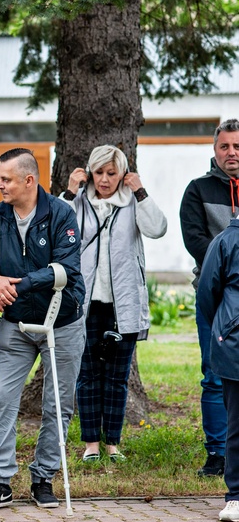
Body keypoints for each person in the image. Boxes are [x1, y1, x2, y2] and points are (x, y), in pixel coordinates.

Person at [0, 148, 85, 510]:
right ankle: (0, 481)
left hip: (61, 322)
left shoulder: (61, 213)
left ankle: (43, 478)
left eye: (6, 179)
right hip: (15, 325)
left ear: (29, 180)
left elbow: (65, 269)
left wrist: (14, 286)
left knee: (58, 405)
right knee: (1, 398)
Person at [62, 145, 167, 462]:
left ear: (123, 174)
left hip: (124, 304)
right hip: (87, 304)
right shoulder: (79, 202)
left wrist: (142, 192)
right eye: (99, 173)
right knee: (88, 376)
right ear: (90, 172)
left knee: (117, 379)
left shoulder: (132, 203)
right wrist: (69, 191)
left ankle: (113, 444)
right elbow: (54, 229)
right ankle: (91, 445)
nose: (105, 180)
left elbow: (157, 228)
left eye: (112, 173)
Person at [180, 119, 239, 477]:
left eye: (237, 146)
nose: (232, 153)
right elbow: (195, 240)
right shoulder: (197, 189)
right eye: (225, 147)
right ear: (214, 151)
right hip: (215, 297)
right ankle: (217, 454)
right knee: (215, 375)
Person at [197, 214, 239, 522]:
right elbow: (207, 294)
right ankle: (236, 496)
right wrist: (227, 328)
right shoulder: (224, 241)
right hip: (235, 344)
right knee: (236, 423)